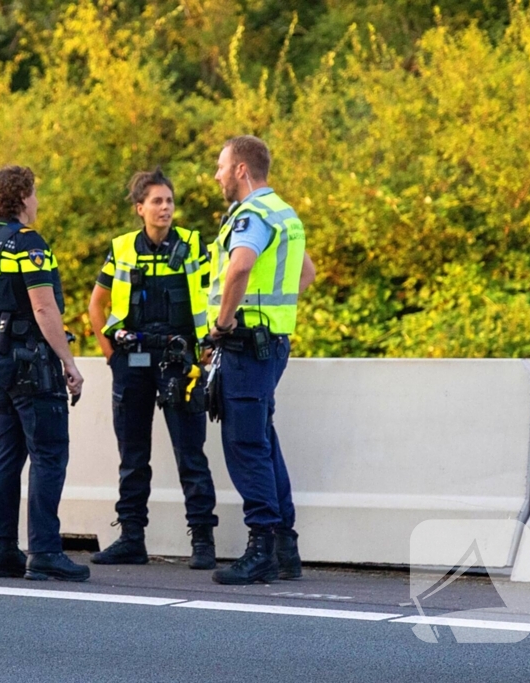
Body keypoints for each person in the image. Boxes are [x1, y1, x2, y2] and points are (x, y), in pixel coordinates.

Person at [87, 168, 218, 570]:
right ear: (139, 207)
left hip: (180, 362)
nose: (165, 208)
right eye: (157, 201)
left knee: (190, 454)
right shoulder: (123, 248)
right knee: (132, 455)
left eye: (170, 201)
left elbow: (215, 297)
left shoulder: (195, 245)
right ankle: (131, 538)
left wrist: (208, 347)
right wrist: (111, 356)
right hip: (133, 361)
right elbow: (96, 305)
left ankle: (202, 541)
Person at [0, 165, 89, 582]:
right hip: (27, 356)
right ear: (22, 197)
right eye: (34, 193)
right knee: (49, 452)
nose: (37, 200)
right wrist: (68, 361)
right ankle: (45, 552)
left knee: (3, 450)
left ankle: (0, 550)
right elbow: (43, 306)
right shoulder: (28, 243)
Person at [207, 136, 317, 585]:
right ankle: (285, 546)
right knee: (264, 440)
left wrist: (225, 322)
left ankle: (262, 547)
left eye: (220, 167)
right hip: (272, 343)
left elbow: (240, 266)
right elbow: (306, 273)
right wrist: (273, 315)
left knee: (246, 445)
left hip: (246, 344)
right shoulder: (284, 213)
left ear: (240, 170)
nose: (215, 175)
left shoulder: (251, 215)